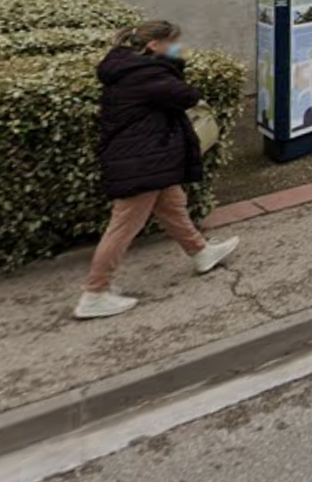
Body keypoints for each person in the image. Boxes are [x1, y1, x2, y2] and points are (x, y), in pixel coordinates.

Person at [76, 21, 238, 320]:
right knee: (123, 226)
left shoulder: (127, 66)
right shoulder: (147, 73)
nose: (179, 47)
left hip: (145, 155)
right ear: (154, 45)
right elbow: (187, 95)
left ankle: (201, 252)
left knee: (173, 205)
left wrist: (170, 59)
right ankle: (95, 293)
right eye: (173, 43)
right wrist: (177, 60)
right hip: (141, 159)